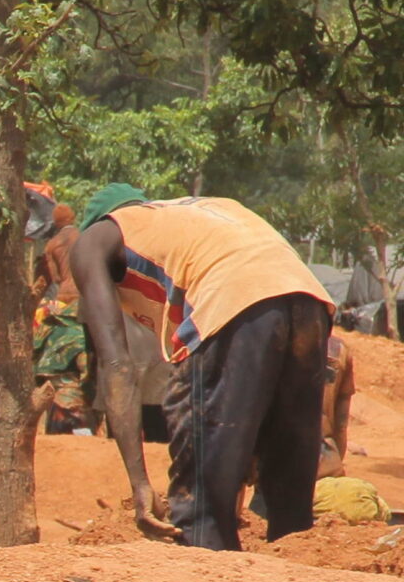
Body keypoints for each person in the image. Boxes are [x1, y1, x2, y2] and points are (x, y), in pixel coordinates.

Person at [71, 186, 333, 549]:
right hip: (310, 300)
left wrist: (139, 484)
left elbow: (117, 366)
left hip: (233, 300)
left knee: (200, 503)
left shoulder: (94, 239)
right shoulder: (192, 215)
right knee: (290, 499)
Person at [323, 333, 356, 477]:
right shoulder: (340, 349)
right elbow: (341, 426)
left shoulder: (273, 343)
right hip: (326, 466)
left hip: (278, 468)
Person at [40, 202, 82, 307]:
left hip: (63, 294)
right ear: (73, 218)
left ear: (56, 222)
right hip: (83, 292)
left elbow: (55, 277)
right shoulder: (84, 237)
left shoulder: (51, 245)